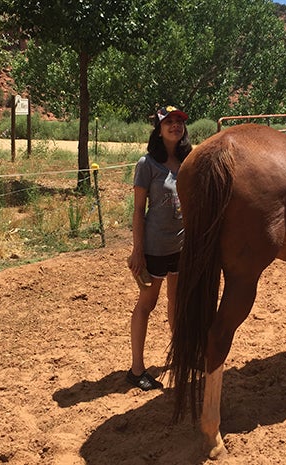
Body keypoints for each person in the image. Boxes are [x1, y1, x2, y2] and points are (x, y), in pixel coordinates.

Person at [126, 105, 192, 391]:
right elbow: (139, 210)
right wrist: (137, 250)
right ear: (159, 128)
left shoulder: (189, 161)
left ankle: (180, 355)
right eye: (169, 122)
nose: (175, 126)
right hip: (154, 247)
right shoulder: (147, 164)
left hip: (180, 246)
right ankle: (136, 368)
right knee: (147, 304)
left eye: (179, 122)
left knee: (176, 304)